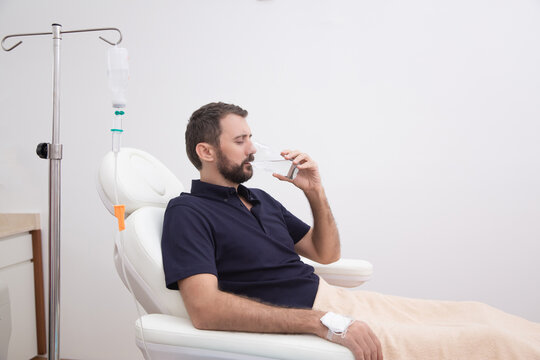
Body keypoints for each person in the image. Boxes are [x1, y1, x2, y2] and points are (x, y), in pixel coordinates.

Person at [162, 102, 540, 360]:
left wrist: (315, 192)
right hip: (314, 313)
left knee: (480, 314)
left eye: (250, 138)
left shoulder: (258, 197)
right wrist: (324, 322)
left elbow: (326, 254)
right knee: (491, 343)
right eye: (240, 141)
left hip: (335, 302)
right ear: (207, 152)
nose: (253, 150)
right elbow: (205, 310)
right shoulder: (189, 212)